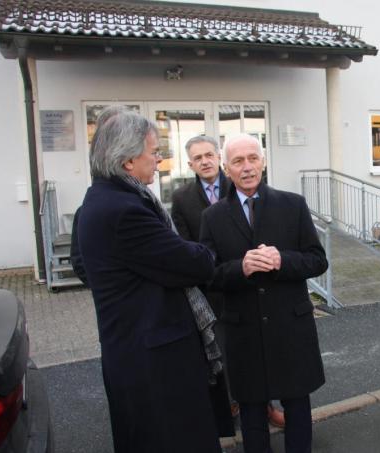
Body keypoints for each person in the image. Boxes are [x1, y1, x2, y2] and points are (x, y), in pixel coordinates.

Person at [73, 106, 233, 452]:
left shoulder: (107, 199)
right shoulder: (124, 211)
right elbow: (196, 263)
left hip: (140, 352)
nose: (159, 160)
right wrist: (203, 249)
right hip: (155, 361)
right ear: (128, 160)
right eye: (154, 152)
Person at [200, 133, 328, 453]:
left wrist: (283, 260)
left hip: (290, 325)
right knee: (252, 413)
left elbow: (317, 260)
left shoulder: (292, 204)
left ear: (264, 161)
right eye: (238, 161)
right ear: (225, 168)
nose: (247, 167)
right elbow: (208, 275)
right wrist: (239, 269)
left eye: (253, 158)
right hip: (243, 330)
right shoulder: (212, 217)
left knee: (298, 408)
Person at [170, 135, 286, 428]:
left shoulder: (239, 182)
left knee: (263, 349)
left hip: (252, 284)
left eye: (209, 154)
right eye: (198, 158)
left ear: (219, 159)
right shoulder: (182, 198)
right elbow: (185, 245)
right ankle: (234, 407)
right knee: (225, 353)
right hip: (213, 287)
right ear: (191, 165)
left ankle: (269, 407)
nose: (205, 161)